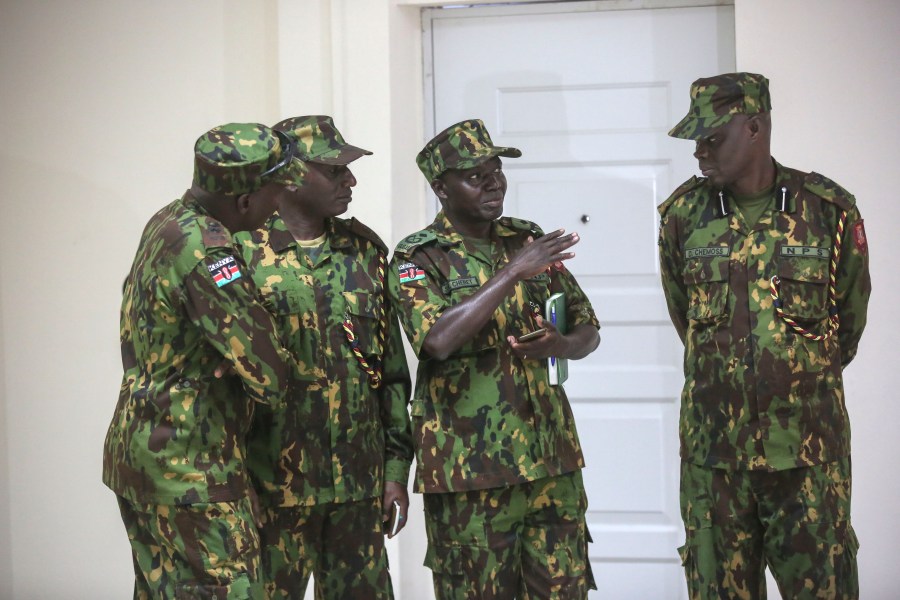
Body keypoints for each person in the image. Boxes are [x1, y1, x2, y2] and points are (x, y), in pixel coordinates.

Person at [658, 73, 871, 599]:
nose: (700, 153)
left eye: (712, 139)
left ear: (754, 128)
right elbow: (685, 317)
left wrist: (790, 377)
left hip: (807, 455)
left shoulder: (828, 211)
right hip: (715, 460)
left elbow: (848, 322)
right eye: (697, 141)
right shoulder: (682, 216)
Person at [388, 119, 601, 599]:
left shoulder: (528, 238)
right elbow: (437, 340)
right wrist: (512, 273)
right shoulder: (416, 256)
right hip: (470, 476)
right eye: (475, 175)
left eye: (496, 169)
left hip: (551, 463)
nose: (493, 182)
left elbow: (588, 328)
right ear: (441, 188)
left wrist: (561, 344)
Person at [102, 122, 302, 599]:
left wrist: (225, 356)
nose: (280, 204)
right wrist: (247, 357)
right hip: (193, 467)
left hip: (142, 453)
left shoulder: (167, 221)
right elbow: (271, 374)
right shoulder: (210, 252)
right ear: (245, 201)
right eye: (277, 190)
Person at [233, 115, 413, 599]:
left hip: (356, 487)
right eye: (335, 170)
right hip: (270, 487)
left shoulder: (366, 251)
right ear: (290, 175)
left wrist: (396, 471)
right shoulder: (240, 253)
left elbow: (391, 373)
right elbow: (221, 382)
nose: (350, 180)